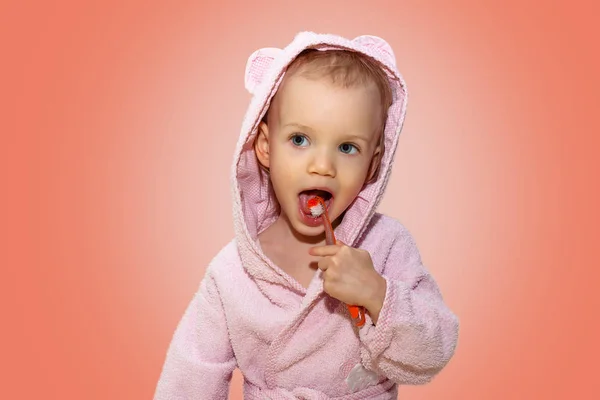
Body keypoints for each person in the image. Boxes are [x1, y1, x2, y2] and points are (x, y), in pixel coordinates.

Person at [154, 31, 459, 399]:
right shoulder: (231, 273)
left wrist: (378, 294)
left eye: (347, 147)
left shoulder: (387, 246)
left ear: (372, 164)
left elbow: (432, 354)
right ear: (266, 148)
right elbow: (190, 376)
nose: (322, 166)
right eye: (300, 140)